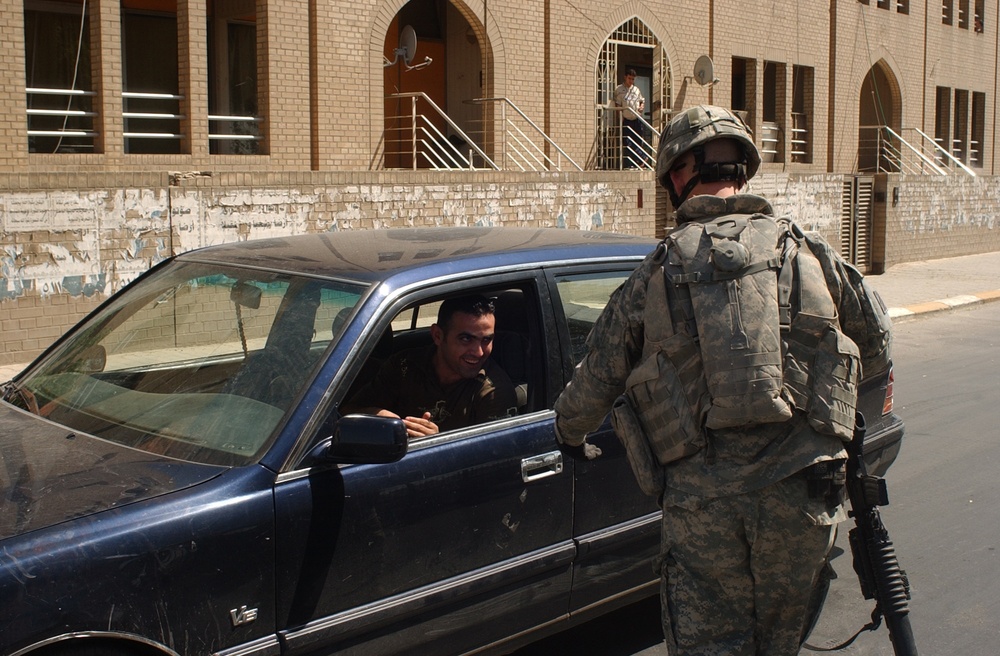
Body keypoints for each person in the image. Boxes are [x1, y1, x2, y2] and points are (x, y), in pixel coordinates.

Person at [553, 105, 892, 654]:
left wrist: (568, 434)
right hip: (804, 496)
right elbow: (876, 349)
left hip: (704, 505)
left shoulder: (656, 271)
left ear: (677, 175)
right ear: (742, 168)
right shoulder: (808, 250)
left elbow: (596, 381)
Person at [344, 294, 518, 438]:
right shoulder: (404, 366)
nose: (479, 352)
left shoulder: (493, 391)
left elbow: (494, 461)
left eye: (486, 340)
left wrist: (437, 444)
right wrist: (377, 415)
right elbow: (346, 413)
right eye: (466, 339)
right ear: (437, 336)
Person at [614, 68, 646, 168]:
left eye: (633, 79)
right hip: (626, 119)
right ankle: (638, 160)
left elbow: (642, 100)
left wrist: (641, 107)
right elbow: (617, 105)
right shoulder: (619, 90)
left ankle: (638, 162)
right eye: (629, 78)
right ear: (625, 77)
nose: (631, 81)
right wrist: (620, 118)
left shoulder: (636, 90)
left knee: (637, 140)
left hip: (636, 118)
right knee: (628, 142)